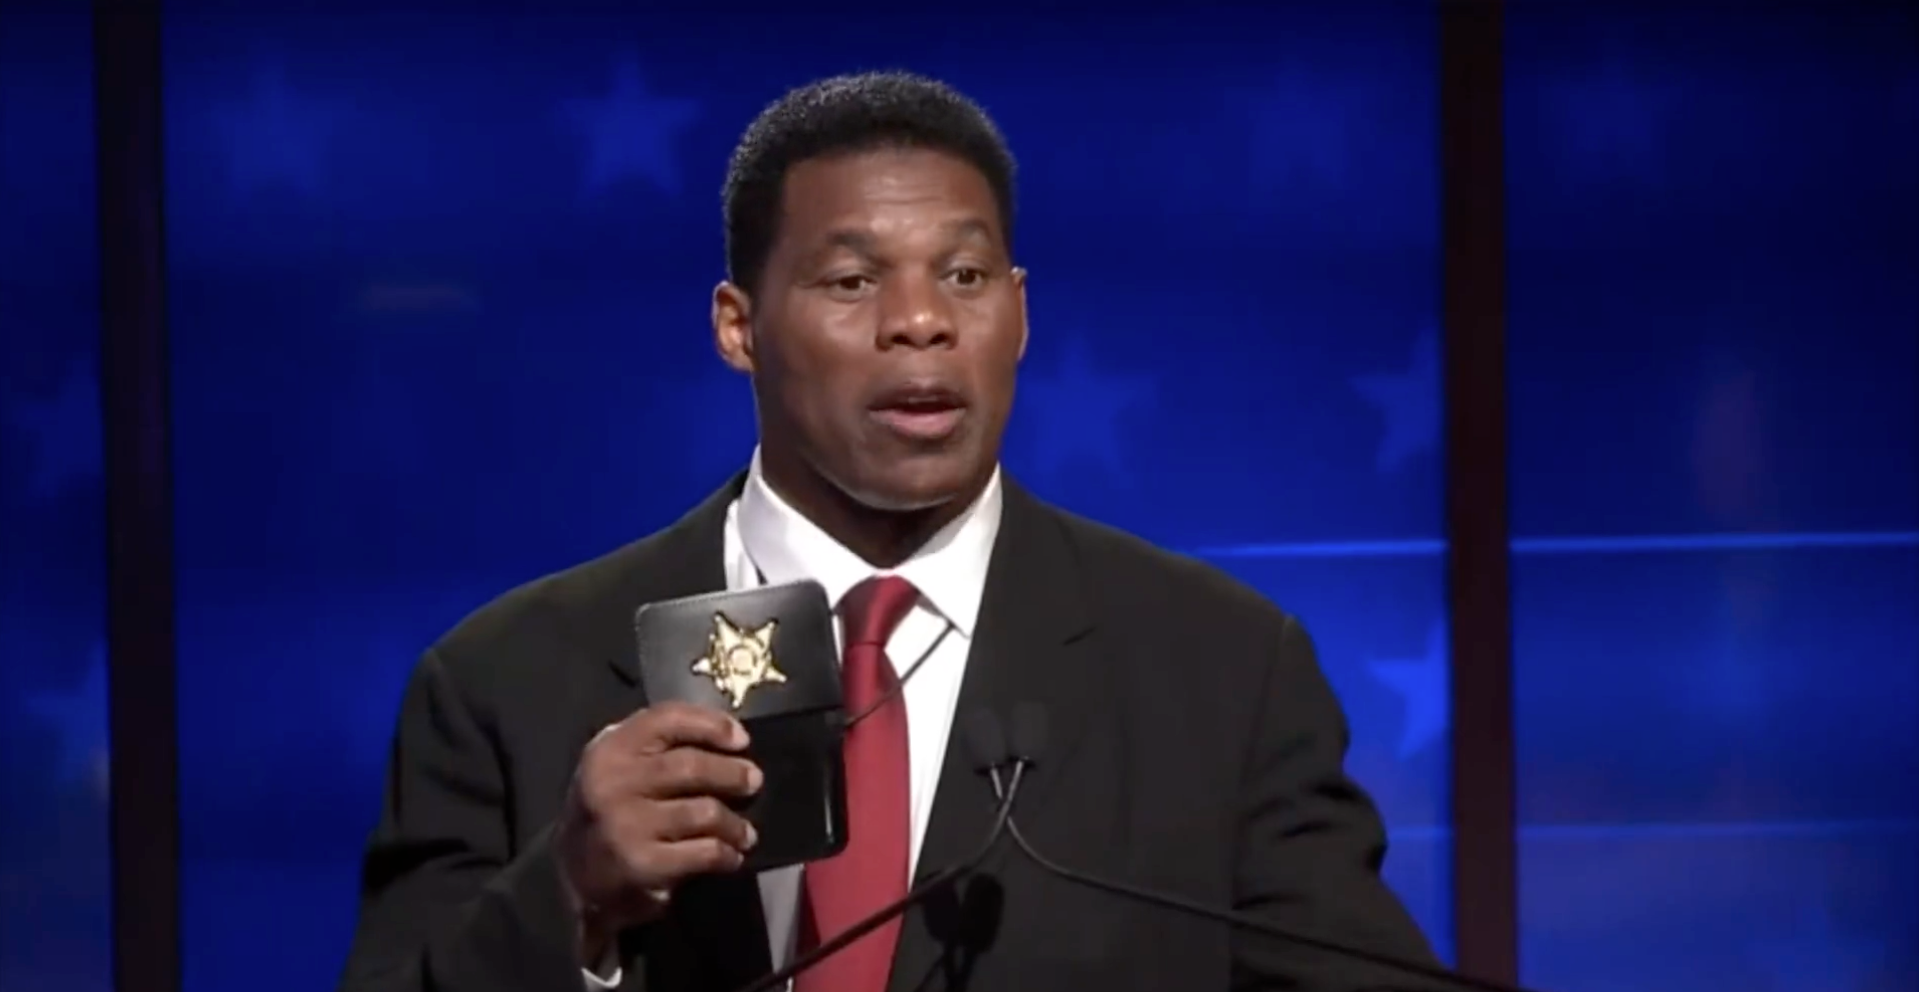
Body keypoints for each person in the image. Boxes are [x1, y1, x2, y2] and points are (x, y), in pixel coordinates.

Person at [337, 71, 1438, 992]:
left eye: (962, 274)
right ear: (738, 326)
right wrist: (569, 896)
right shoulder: (502, 682)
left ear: (1018, 312)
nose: (921, 319)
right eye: (852, 278)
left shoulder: (1221, 671)